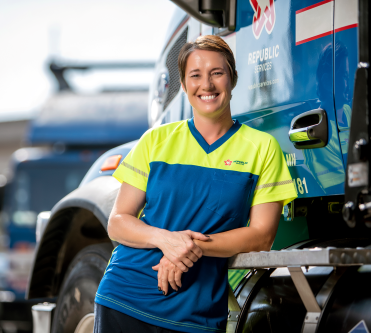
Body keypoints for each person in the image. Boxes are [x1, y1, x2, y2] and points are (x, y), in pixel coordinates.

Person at [94, 35, 297, 333]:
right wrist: (167, 241)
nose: (207, 85)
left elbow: (261, 236)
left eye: (217, 73)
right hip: (125, 297)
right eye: (196, 75)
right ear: (185, 84)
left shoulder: (262, 148)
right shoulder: (155, 140)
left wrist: (189, 248)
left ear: (233, 78)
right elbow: (118, 222)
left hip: (196, 314)